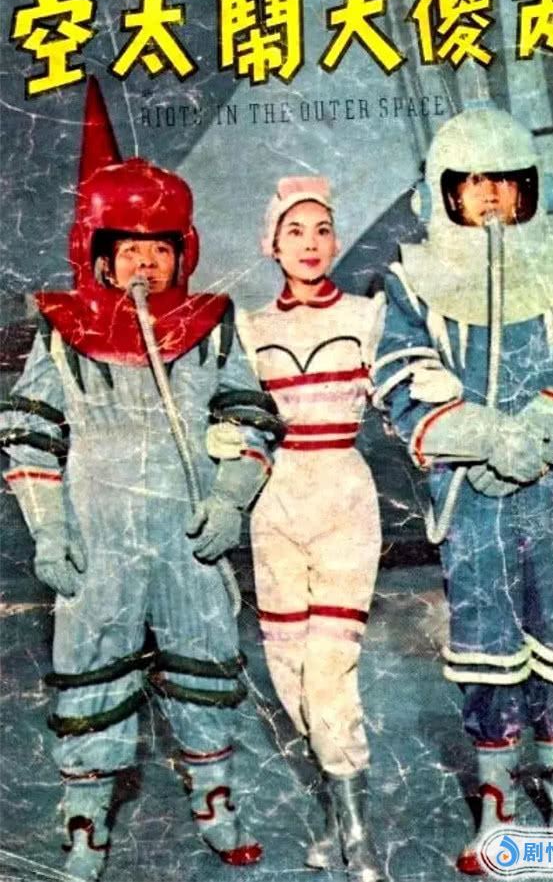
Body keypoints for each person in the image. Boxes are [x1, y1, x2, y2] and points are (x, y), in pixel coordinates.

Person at [0, 77, 280, 881]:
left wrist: (229, 500)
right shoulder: (63, 335)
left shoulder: (212, 326)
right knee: (91, 667)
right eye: (129, 248)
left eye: (159, 248)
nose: (145, 262)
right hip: (98, 537)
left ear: (184, 250)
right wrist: (50, 530)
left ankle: (215, 799)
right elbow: (29, 431)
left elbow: (249, 413)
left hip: (188, 534)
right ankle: (85, 816)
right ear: (97, 253)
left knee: (204, 663)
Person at [373, 107, 553, 875]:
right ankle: (497, 799)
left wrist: (539, 436)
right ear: (443, 190)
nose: (491, 196)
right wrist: (482, 438)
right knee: (487, 644)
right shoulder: (412, 277)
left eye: (507, 182)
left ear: (531, 189)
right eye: (473, 181)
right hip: (472, 493)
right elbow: (402, 376)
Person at [237, 177, 386, 882]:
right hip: (275, 504)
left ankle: (358, 833)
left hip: (344, 497)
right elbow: (237, 418)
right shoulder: (249, 328)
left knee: (329, 671)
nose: (310, 243)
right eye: (294, 231)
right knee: (289, 673)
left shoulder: (367, 316)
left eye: (322, 229)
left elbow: (402, 394)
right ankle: (336, 812)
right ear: (272, 244)